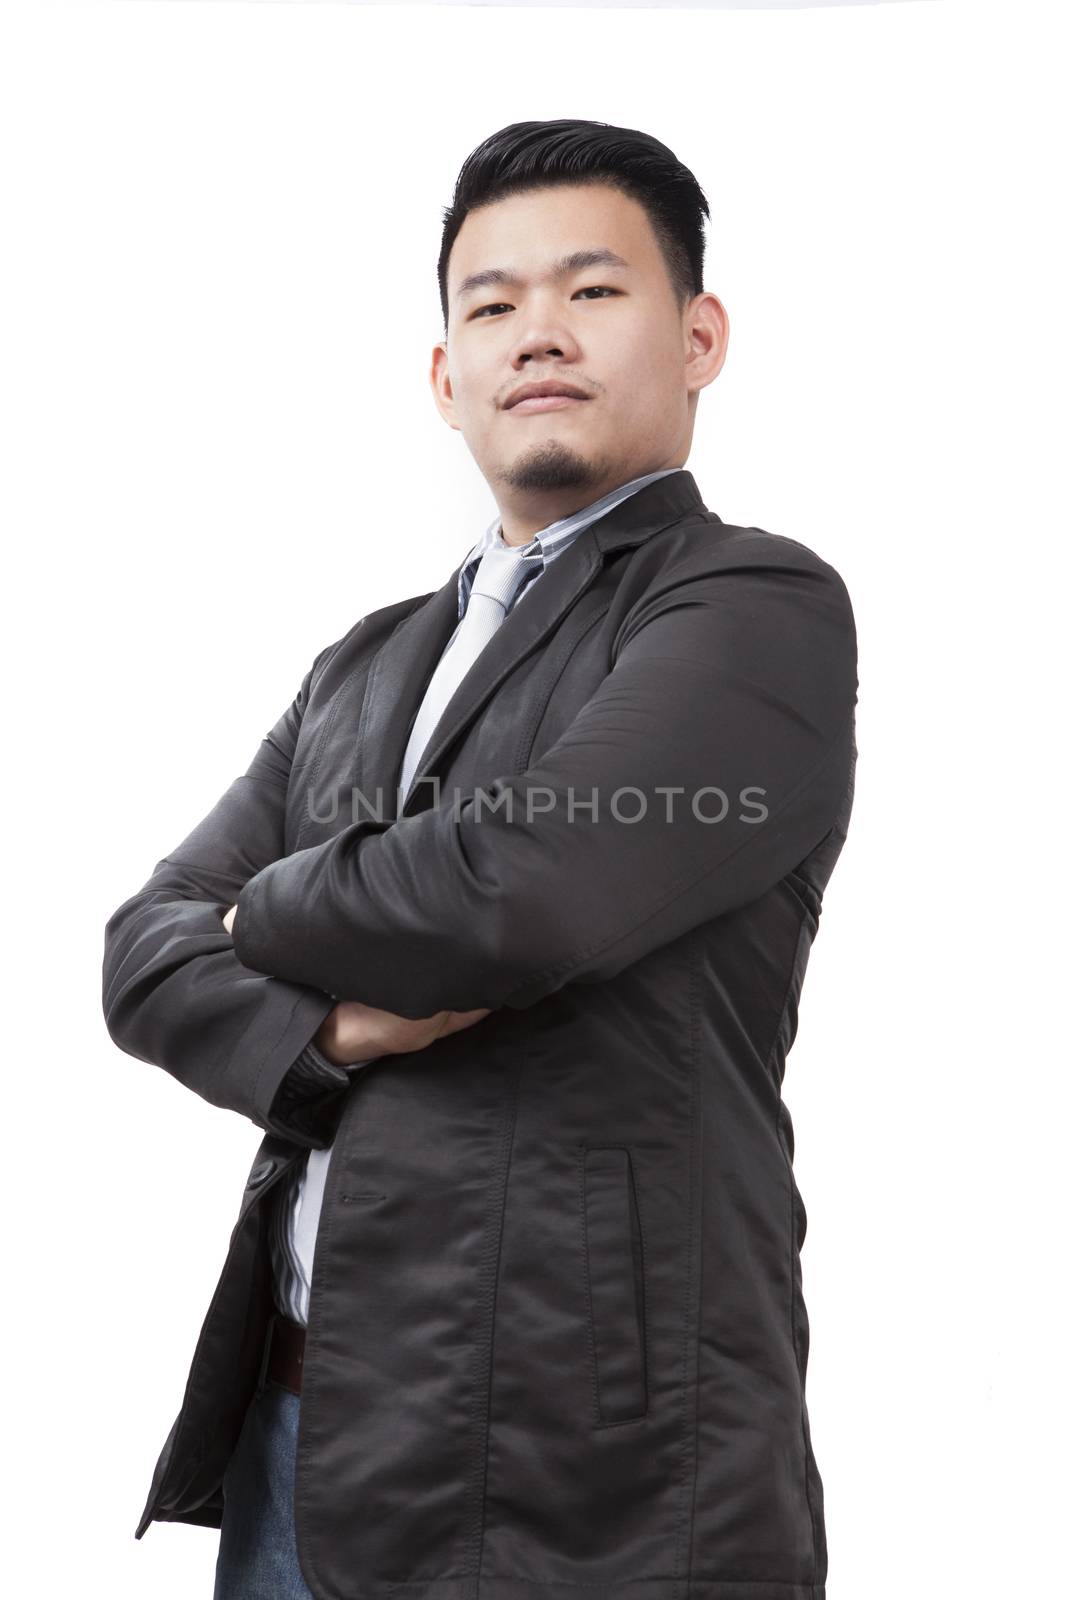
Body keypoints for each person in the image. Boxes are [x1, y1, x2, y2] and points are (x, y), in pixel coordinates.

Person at [102, 117, 858, 1600]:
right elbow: (140, 949)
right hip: (300, 1434)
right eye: (492, 304)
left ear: (699, 336)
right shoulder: (365, 662)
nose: (539, 335)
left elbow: (516, 890)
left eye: (593, 290)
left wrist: (262, 907)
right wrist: (322, 1027)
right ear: (445, 376)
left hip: (586, 1477)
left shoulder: (750, 606)